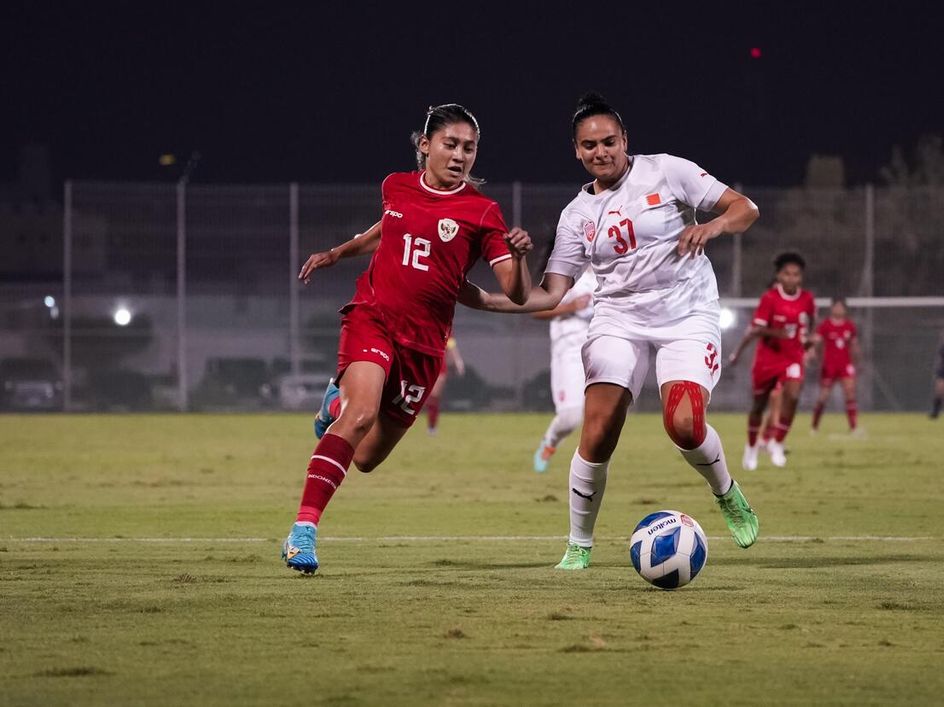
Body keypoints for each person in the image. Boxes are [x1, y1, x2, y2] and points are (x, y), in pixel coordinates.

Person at [460, 93, 761, 570]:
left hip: (687, 315)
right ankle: (579, 544)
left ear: (625, 140)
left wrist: (716, 226)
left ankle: (725, 490)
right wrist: (481, 299)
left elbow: (745, 208)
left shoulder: (668, 170)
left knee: (683, 424)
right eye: (589, 145)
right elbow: (549, 295)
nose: (601, 152)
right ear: (576, 151)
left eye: (609, 142)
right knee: (598, 429)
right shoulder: (576, 216)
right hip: (618, 320)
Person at [282, 103, 533, 575]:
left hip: (425, 345)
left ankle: (333, 407)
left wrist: (519, 259)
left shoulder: (483, 213)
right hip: (373, 317)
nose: (460, 155)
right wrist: (338, 252)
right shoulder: (395, 185)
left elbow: (516, 293)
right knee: (360, 417)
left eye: (469, 148)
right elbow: (388, 229)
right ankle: (303, 531)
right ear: (425, 145)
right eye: (450, 144)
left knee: (368, 458)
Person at [728, 252, 815, 471]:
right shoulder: (769, 298)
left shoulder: (807, 299)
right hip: (767, 359)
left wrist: (807, 342)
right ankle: (751, 447)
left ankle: (777, 442)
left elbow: (809, 323)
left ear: (800, 277)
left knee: (794, 395)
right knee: (759, 405)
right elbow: (756, 330)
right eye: (787, 274)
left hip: (793, 357)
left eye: (796, 274)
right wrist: (776, 334)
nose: (791, 278)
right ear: (779, 276)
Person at [529, 266, 597, 472]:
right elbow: (535, 308)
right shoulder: (566, 272)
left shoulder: (612, 271)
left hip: (602, 349)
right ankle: (549, 442)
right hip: (570, 352)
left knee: (603, 418)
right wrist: (571, 307)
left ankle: (591, 470)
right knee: (570, 418)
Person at [810, 298, 860, 433]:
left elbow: (854, 345)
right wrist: (814, 351)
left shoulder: (850, 326)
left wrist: (857, 362)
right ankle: (814, 426)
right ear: (832, 308)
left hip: (845, 364)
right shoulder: (825, 325)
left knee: (850, 393)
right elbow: (817, 342)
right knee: (823, 396)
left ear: (844, 309)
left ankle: (853, 427)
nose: (838, 309)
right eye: (836, 307)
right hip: (829, 365)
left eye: (841, 307)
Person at [424, 335, 466, 436]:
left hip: (440, 367)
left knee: (434, 397)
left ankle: (432, 427)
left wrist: (458, 362)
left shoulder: (446, 327)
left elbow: (452, 347)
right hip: (423, 365)